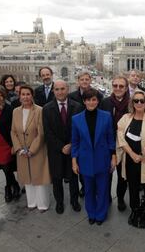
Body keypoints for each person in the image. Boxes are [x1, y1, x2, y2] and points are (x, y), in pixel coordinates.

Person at [117, 90, 145, 228]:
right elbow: (120, 137)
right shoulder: (125, 118)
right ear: (132, 103)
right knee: (133, 187)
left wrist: (143, 155)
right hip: (131, 160)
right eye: (136, 101)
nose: (139, 103)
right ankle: (135, 211)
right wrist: (132, 154)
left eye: (142, 100)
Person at [71, 88, 116, 225]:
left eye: (94, 99)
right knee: (89, 189)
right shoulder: (76, 119)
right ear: (84, 101)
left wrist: (113, 157)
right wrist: (74, 161)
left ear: (98, 101)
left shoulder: (106, 116)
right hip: (85, 160)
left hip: (103, 158)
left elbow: (110, 138)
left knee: (102, 189)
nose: (91, 102)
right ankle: (91, 213)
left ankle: (101, 214)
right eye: (88, 100)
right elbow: (75, 142)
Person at [42, 80, 82, 214]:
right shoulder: (47, 109)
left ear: (68, 89)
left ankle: (74, 201)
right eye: (57, 89)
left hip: (73, 149)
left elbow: (80, 130)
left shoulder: (77, 106)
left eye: (63, 89)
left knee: (73, 178)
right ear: (53, 91)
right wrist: (61, 147)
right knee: (57, 178)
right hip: (56, 151)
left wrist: (71, 145)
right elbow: (47, 132)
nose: (60, 92)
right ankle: (59, 202)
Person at [11, 85, 51, 212]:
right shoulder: (15, 111)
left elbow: (41, 133)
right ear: (19, 96)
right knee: (27, 178)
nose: (25, 97)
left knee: (39, 177)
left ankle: (42, 204)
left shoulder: (39, 110)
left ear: (32, 95)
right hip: (22, 151)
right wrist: (18, 149)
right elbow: (13, 132)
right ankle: (32, 202)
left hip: (36, 150)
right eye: (23, 94)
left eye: (28, 94)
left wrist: (32, 150)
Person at [69, 70, 104, 197]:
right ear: (78, 81)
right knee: (83, 165)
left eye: (87, 79)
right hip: (80, 130)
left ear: (90, 80)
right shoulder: (72, 96)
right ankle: (85, 186)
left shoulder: (98, 94)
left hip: (94, 128)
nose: (84, 81)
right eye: (82, 79)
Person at [99, 75, 130, 211]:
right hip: (108, 144)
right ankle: (107, 196)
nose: (118, 88)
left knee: (122, 174)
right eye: (115, 86)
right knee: (107, 172)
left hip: (125, 144)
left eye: (121, 86)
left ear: (126, 88)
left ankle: (121, 198)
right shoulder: (105, 102)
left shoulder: (131, 103)